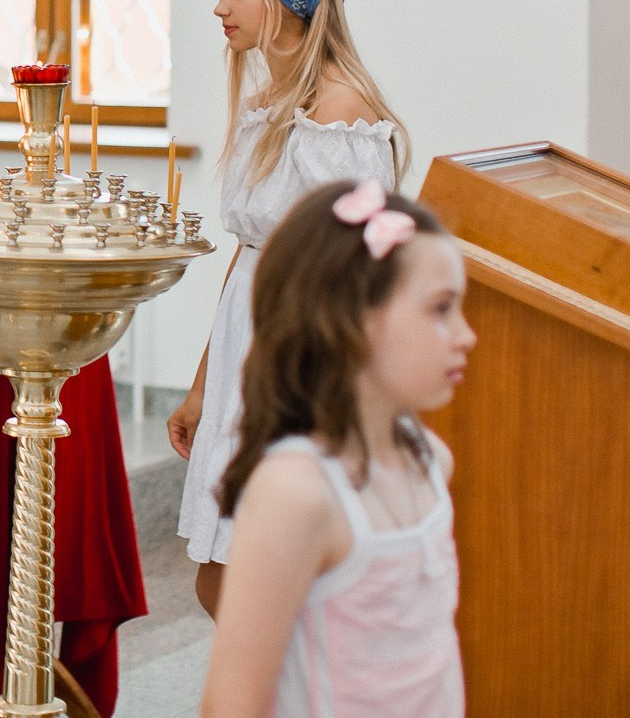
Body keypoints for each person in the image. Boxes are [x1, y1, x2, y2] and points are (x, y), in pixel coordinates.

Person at [168, 0, 408, 618]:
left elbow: (361, 271)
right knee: (224, 577)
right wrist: (202, 386)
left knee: (260, 581)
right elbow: (250, 252)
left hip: (300, 359)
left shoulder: (340, 115)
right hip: (248, 345)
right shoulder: (269, 106)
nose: (220, 6)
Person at [200, 181, 471, 717]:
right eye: (441, 310)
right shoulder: (297, 492)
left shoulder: (428, 461)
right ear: (352, 319)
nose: (466, 335)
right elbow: (233, 703)